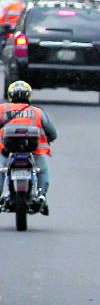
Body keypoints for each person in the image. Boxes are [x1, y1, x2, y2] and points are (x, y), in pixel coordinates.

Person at [0, 81, 55, 212]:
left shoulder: (2, 109)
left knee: (1, 170)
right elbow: (52, 132)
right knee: (42, 170)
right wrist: (50, 138)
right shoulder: (37, 112)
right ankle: (41, 195)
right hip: (32, 152)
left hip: (6, 152)